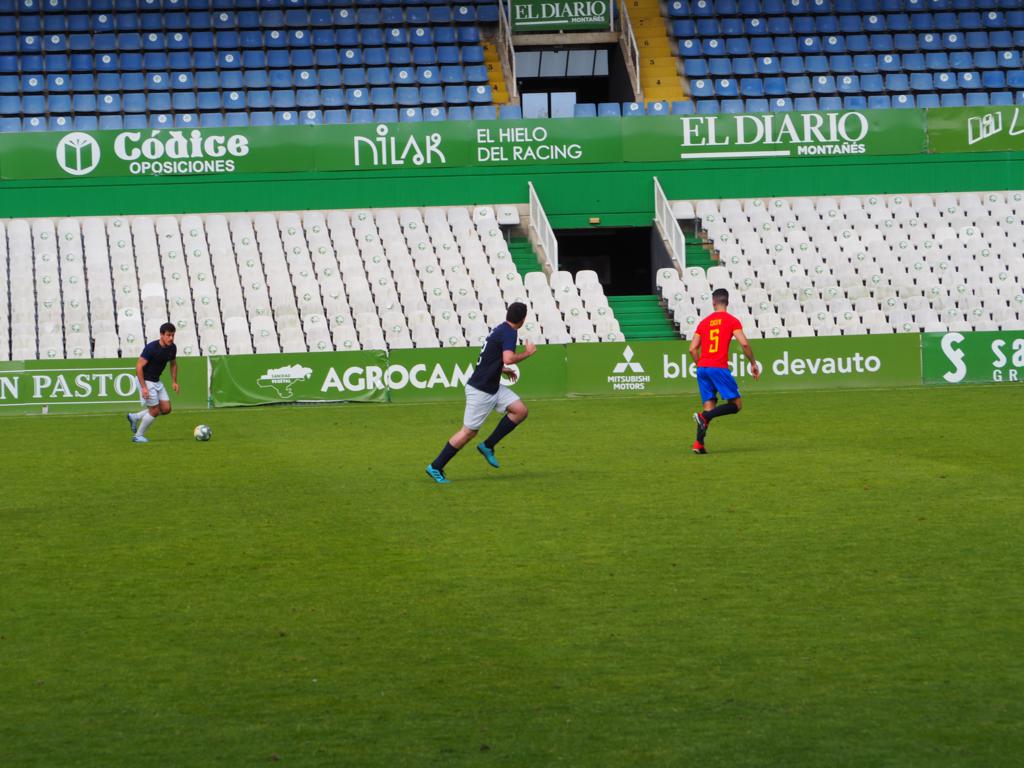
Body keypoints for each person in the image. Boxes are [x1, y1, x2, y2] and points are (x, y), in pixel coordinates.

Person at [426, 302, 536, 483]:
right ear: (523, 319)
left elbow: (490, 357)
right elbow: (508, 358)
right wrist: (528, 353)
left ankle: (488, 445)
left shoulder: (501, 329)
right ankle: (436, 466)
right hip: (481, 390)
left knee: (520, 411)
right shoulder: (509, 332)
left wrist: (501, 369)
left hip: (491, 386)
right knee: (468, 432)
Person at [689, 289, 759, 454]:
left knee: (709, 406)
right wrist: (753, 363)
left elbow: (692, 349)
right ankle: (705, 417)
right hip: (718, 367)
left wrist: (701, 365)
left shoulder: (704, 322)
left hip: (703, 368)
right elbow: (744, 343)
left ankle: (699, 444)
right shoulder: (732, 321)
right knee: (736, 405)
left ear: (713, 303)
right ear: (727, 302)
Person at [126, 323, 179, 443]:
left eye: (173, 335)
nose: (171, 338)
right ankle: (138, 436)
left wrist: (174, 381)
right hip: (145, 380)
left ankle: (136, 417)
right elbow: (139, 367)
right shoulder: (151, 348)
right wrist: (144, 387)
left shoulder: (172, 348)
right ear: (161, 335)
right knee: (154, 410)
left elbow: (173, 364)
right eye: (168, 335)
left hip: (156, 380)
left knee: (166, 409)